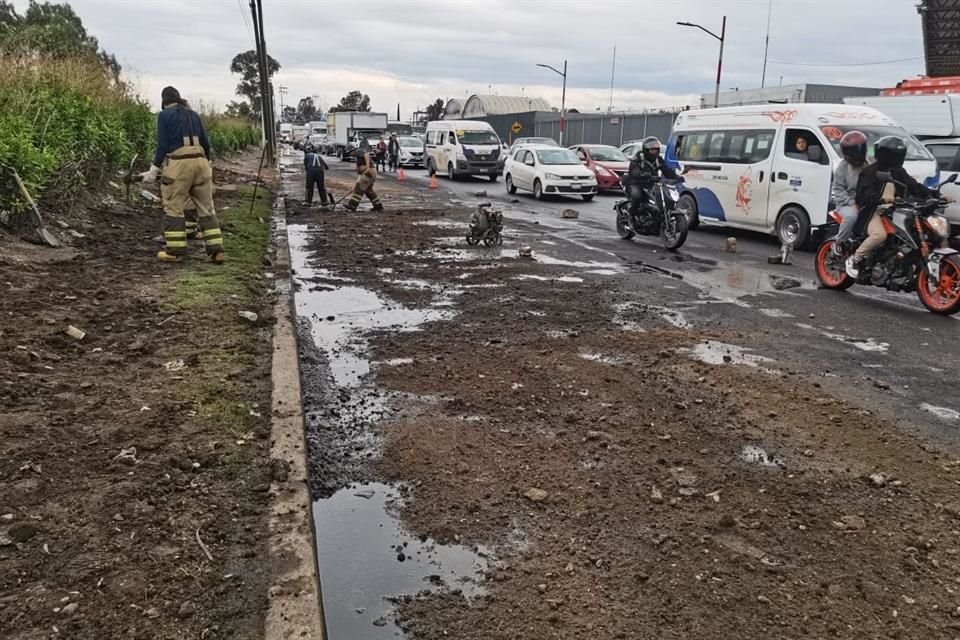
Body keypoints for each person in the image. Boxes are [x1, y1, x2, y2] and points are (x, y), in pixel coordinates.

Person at [139, 86, 224, 263]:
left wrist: (154, 169)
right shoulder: (194, 115)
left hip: (179, 164)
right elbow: (206, 144)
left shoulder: (164, 116)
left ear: (164, 101)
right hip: (201, 163)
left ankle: (175, 251)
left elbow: (162, 145)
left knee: (174, 206)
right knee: (207, 208)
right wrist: (206, 165)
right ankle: (217, 251)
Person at [846, 136, 931, 278]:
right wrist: (879, 198)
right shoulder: (870, 172)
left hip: (894, 211)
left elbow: (914, 186)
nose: (897, 158)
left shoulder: (899, 172)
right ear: (885, 154)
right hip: (873, 211)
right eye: (894, 155)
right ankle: (855, 258)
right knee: (879, 235)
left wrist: (935, 195)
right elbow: (863, 194)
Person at [831, 130, 869, 255]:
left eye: (861, 148)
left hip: (864, 201)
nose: (859, 152)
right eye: (855, 150)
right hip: (845, 203)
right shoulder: (842, 168)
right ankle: (839, 242)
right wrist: (851, 202)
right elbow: (838, 190)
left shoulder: (867, 165)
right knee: (851, 216)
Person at [622, 137, 679, 218]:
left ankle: (659, 215)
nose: (654, 152)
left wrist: (677, 177)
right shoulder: (639, 157)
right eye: (652, 150)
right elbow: (634, 170)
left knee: (664, 196)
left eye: (656, 150)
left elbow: (666, 170)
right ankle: (632, 214)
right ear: (646, 150)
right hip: (636, 183)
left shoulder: (658, 159)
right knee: (637, 196)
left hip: (651, 183)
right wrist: (643, 174)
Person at [345, 141, 383, 212]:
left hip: (368, 172)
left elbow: (366, 155)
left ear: (352, 150)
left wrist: (367, 167)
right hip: (370, 172)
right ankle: (378, 206)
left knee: (359, 189)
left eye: (350, 153)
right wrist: (357, 183)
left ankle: (352, 205)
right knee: (368, 190)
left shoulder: (358, 151)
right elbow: (360, 173)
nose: (350, 155)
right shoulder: (358, 158)